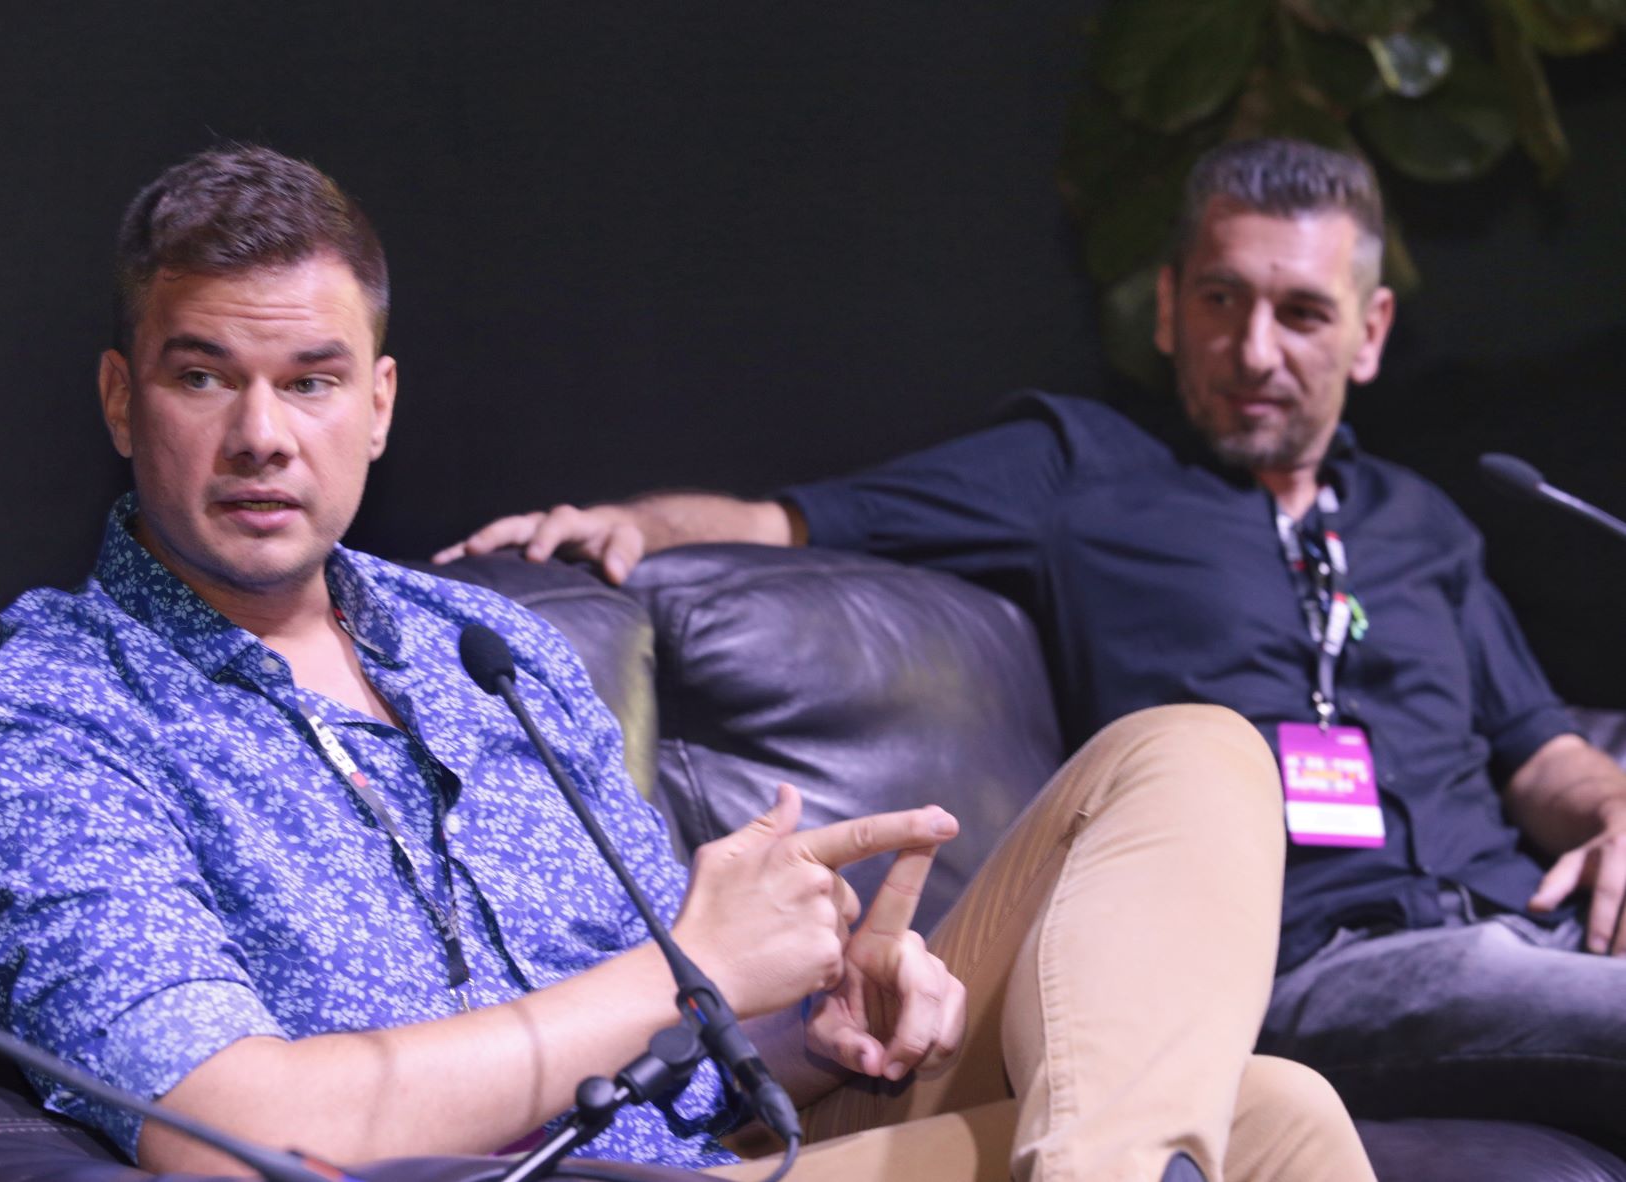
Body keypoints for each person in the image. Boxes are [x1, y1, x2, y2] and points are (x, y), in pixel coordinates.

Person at [0, 144, 1374, 1182]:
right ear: (122, 400)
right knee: (1271, 1122)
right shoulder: (48, 724)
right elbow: (220, 1125)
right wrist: (691, 972)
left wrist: (816, 1028)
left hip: (724, 1147)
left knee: (1196, 770)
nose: (261, 436)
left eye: (310, 381)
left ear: (379, 405)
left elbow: (685, 1040)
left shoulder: (483, 647)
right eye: (202, 376)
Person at [444, 137, 1626, 1148]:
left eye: (1302, 314)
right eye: (1222, 301)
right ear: (1168, 307)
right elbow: (788, 519)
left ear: (1369, 332)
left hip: (1522, 919)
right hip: (1321, 955)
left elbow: (1540, 750)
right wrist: (634, 525)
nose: (1257, 350)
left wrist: (1613, 809)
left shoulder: (1425, 522)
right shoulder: (1082, 473)